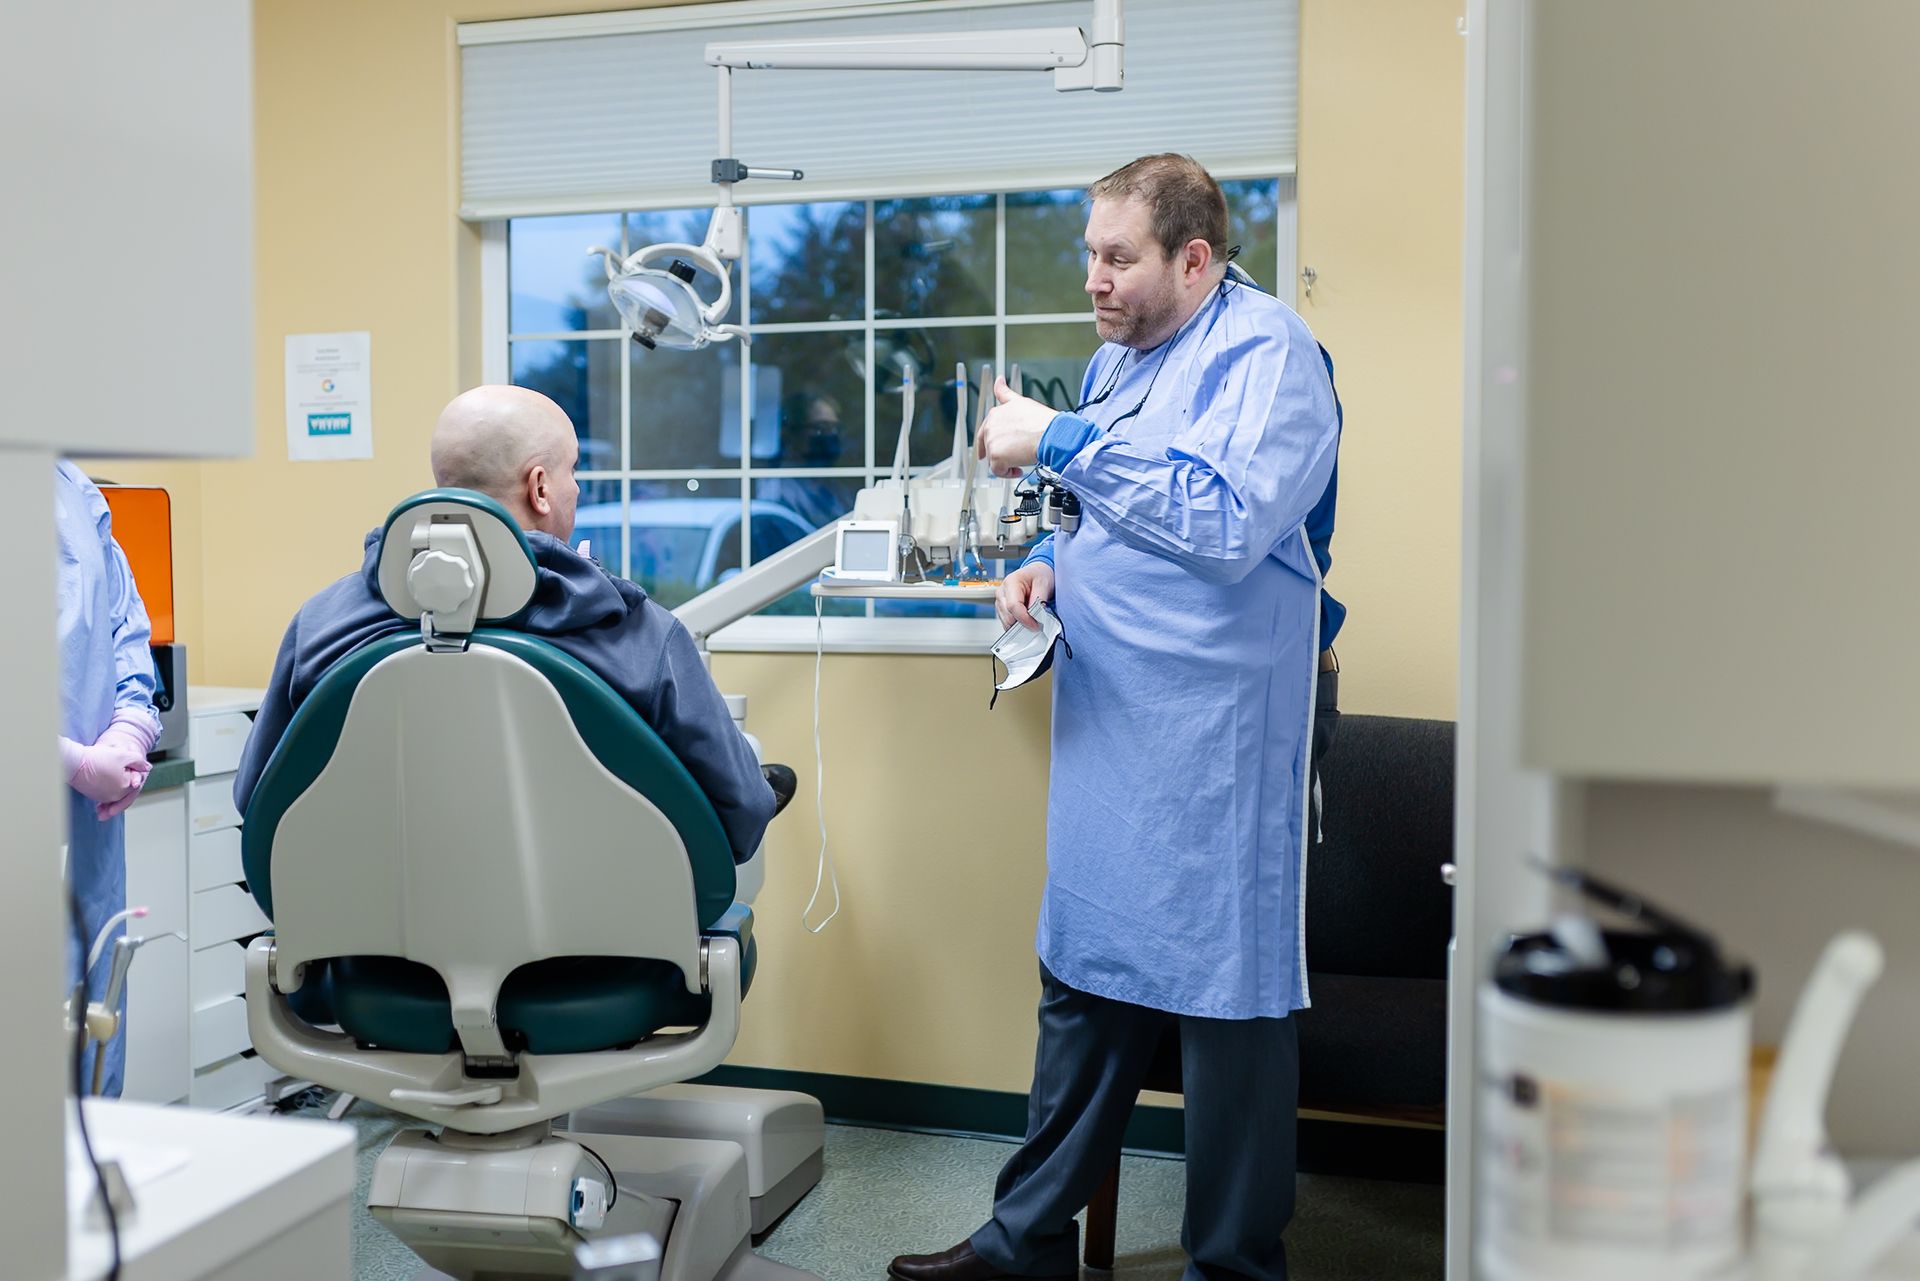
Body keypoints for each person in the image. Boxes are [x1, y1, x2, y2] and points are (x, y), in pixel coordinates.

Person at [889, 154, 1345, 1281]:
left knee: (1228, 1007)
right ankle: (1023, 1242)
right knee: (1082, 979)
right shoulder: (1113, 362)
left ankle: (1232, 1264)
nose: (1093, 278)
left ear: (1194, 260)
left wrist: (1056, 440)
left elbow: (1230, 521)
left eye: (1117, 257)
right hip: (1113, 719)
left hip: (1217, 737)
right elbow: (1101, 514)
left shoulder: (1268, 355)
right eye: (1089, 253)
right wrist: (1046, 561)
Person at [234, 385, 792, 855]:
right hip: (597, 948)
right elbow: (741, 819)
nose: (576, 487)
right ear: (541, 487)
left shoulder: (322, 625)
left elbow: (256, 799)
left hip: (374, 954)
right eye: (572, 471)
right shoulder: (640, 637)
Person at [56, 461, 163, 1099]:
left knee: (87, 1032)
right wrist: (67, 760)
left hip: (84, 831)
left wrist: (128, 732)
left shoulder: (71, 487)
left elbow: (129, 632)